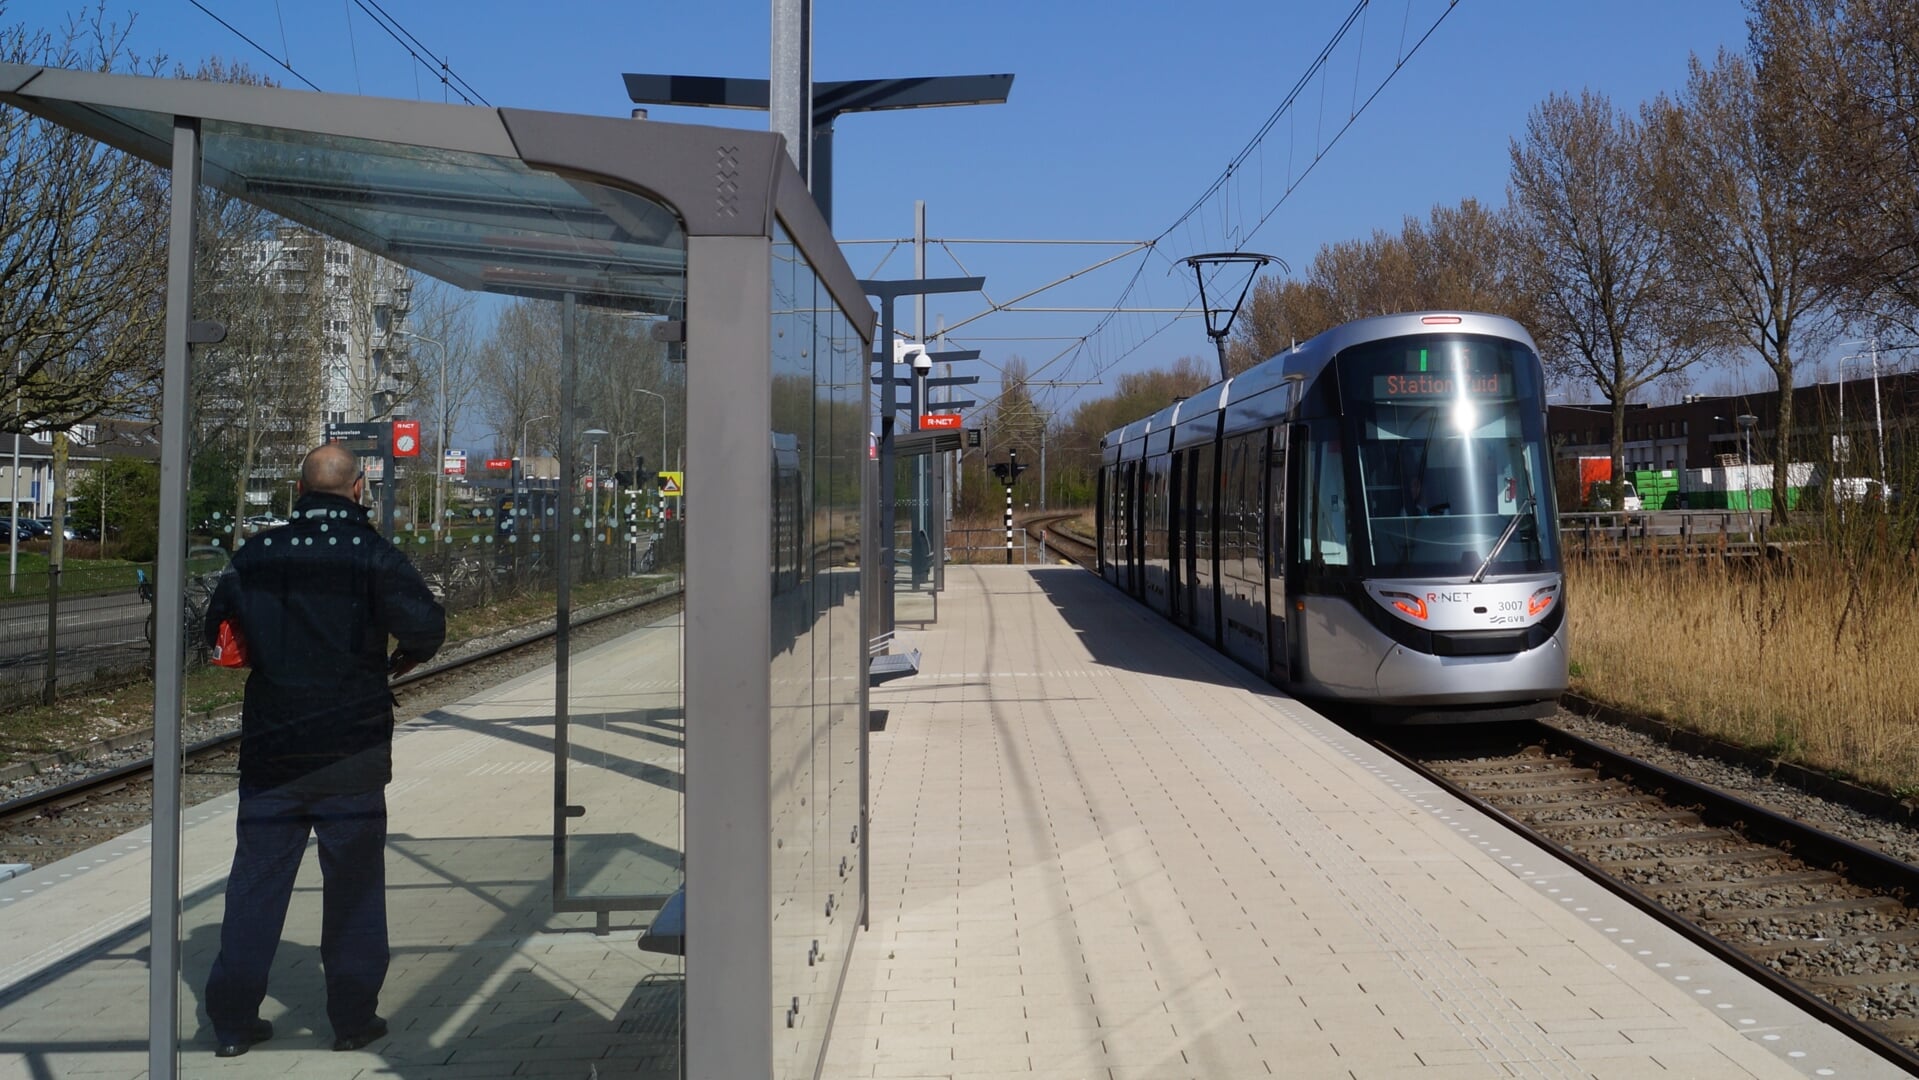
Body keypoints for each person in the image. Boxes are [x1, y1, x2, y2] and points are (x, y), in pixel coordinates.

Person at [201, 443, 446, 1057]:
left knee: (255, 884)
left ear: (300, 489)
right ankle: (353, 1020)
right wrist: (399, 657)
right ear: (359, 488)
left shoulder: (255, 553)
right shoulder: (374, 554)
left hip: (272, 749)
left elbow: (215, 631)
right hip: (352, 748)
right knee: (354, 888)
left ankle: (232, 1025)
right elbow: (425, 627)